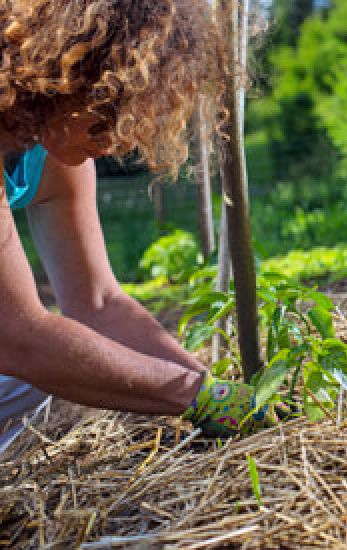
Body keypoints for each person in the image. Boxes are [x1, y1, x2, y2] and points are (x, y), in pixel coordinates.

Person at [0, 0, 271, 451]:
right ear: (58, 77)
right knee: (46, 366)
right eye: (105, 113)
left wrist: (211, 386)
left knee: (59, 379)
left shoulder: (47, 151)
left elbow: (100, 304)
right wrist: (193, 396)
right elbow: (17, 335)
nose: (116, 142)